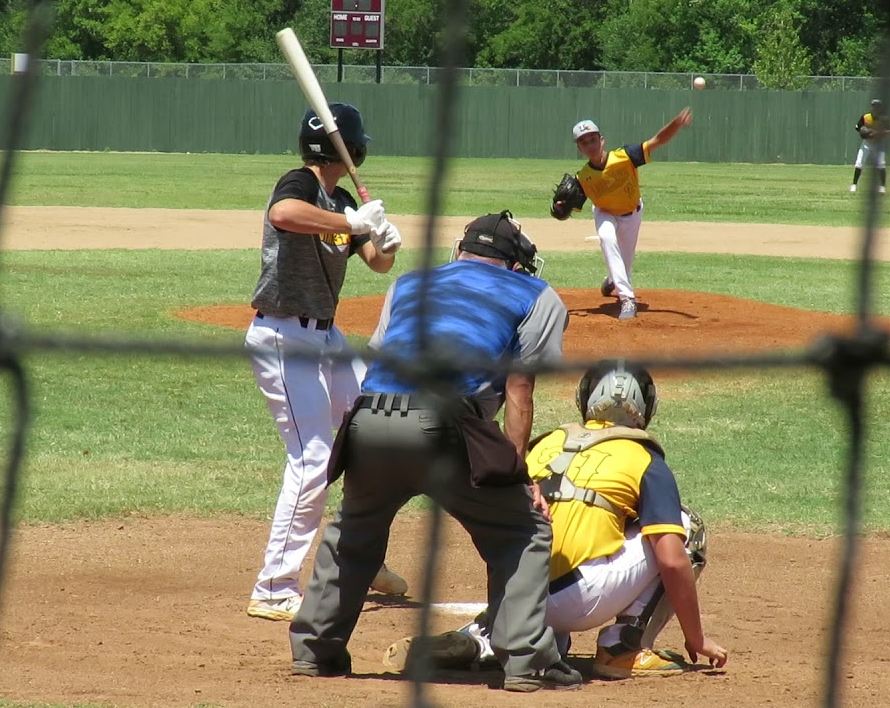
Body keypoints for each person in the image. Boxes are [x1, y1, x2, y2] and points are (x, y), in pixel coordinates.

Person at [289, 211, 580, 693]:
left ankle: (314, 651)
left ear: (461, 251)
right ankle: (527, 660)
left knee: (353, 533)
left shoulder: (409, 284)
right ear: (514, 263)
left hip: (369, 419)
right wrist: (517, 469)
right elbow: (519, 387)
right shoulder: (536, 295)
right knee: (522, 532)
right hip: (444, 424)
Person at [383, 362, 729, 680]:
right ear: (645, 408)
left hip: (515, 591)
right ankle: (621, 647)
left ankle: (491, 637)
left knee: (551, 615)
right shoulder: (644, 458)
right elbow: (670, 559)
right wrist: (695, 637)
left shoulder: (546, 442)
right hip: (577, 600)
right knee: (683, 528)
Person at [244, 101, 409, 623]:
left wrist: (383, 241)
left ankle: (360, 554)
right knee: (313, 457)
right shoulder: (298, 185)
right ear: (353, 148)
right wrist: (350, 219)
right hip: (282, 335)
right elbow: (283, 216)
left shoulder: (338, 200)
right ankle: (274, 587)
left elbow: (377, 264)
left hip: (326, 336)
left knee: (373, 428)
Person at [556, 108, 693, 321]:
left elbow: (657, 140)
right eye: (584, 142)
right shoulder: (583, 177)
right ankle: (627, 298)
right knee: (607, 237)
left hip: (632, 214)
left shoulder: (626, 155)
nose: (590, 145)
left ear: (602, 140)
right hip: (604, 213)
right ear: (579, 148)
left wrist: (676, 124)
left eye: (593, 139)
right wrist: (559, 209)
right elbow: (568, 211)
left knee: (625, 265)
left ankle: (613, 279)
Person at [850, 98, 890, 194]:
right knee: (859, 163)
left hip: (878, 144)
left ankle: (882, 187)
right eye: (873, 106)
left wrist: (875, 133)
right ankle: (854, 185)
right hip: (867, 144)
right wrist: (864, 132)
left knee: (881, 164)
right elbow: (858, 127)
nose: (875, 108)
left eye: (877, 106)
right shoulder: (865, 117)